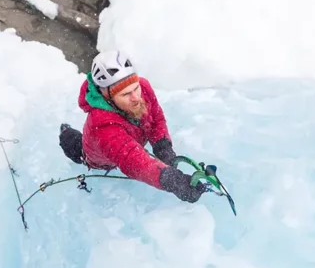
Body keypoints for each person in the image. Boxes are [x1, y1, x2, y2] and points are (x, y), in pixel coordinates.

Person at [59, 50, 207, 203]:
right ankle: (65, 131)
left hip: (130, 137)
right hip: (99, 159)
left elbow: (156, 118)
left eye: (136, 88)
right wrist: (170, 181)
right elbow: (132, 159)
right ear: (107, 96)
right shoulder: (102, 125)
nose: (136, 97)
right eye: (125, 94)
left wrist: (163, 147)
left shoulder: (143, 87)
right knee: (73, 144)